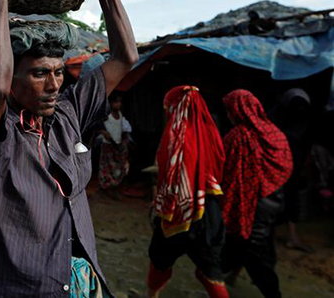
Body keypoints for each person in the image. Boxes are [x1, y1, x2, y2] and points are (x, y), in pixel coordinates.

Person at [0, 0, 138, 297]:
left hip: (81, 280)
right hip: (21, 286)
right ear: (13, 81)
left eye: (58, 71)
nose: (54, 84)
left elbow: (125, 58)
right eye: (39, 73)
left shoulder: (67, 114)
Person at [147, 86, 229, 298]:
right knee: (212, 271)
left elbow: (168, 172)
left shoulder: (175, 134)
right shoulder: (211, 130)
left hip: (177, 212)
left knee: (159, 260)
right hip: (208, 210)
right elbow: (219, 163)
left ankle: (152, 295)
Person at [221, 89, 292, 298]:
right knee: (256, 247)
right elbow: (285, 165)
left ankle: (273, 294)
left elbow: (224, 169)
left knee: (252, 252)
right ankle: (229, 276)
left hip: (251, 206)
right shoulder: (272, 132)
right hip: (275, 198)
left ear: (237, 111)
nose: (228, 115)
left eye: (229, 110)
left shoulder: (238, 137)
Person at [272, 88, 312, 252]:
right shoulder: (278, 121)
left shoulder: (303, 123)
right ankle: (272, 235)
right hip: (279, 164)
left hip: (293, 164)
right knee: (275, 198)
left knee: (290, 197)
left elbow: (306, 146)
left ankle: (291, 236)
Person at [97, 93, 132, 195]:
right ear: (111, 103)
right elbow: (98, 124)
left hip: (117, 144)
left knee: (117, 167)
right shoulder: (107, 115)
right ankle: (106, 188)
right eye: (116, 102)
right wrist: (103, 132)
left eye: (120, 102)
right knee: (106, 167)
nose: (119, 104)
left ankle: (114, 186)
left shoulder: (120, 115)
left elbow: (123, 128)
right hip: (107, 145)